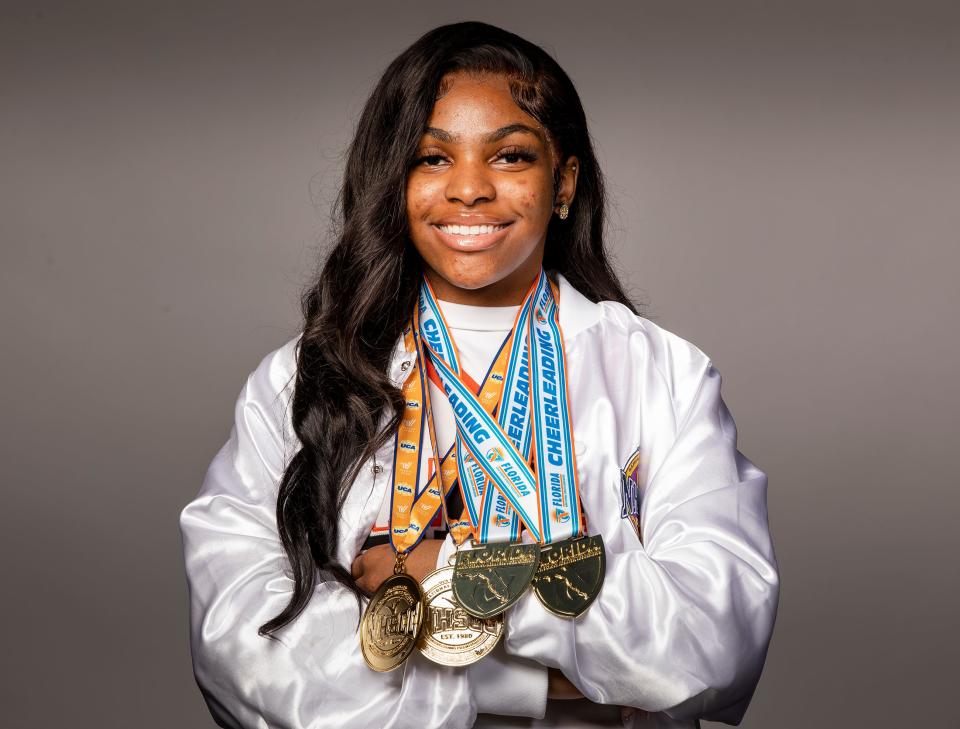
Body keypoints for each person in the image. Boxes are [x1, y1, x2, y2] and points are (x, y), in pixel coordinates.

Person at [178, 20, 780, 729]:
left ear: (564, 180)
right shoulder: (300, 379)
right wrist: (547, 683)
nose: (469, 189)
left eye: (511, 156)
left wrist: (453, 577)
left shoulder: (662, 373)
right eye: (433, 158)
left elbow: (719, 637)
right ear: (394, 181)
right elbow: (237, 649)